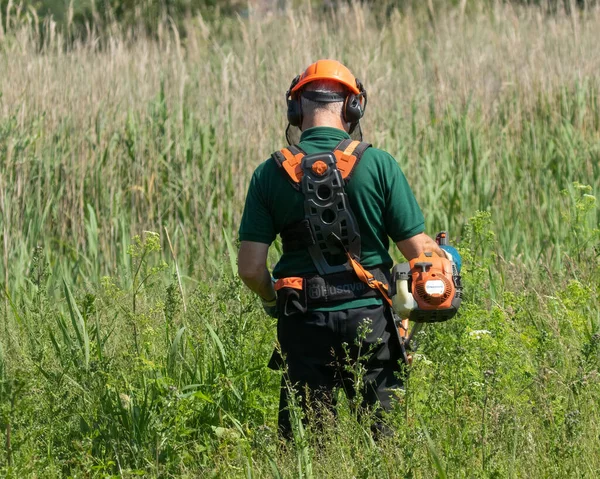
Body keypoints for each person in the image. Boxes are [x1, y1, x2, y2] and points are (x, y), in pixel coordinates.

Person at [237, 59, 452, 439]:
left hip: (303, 321)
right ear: (354, 107)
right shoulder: (379, 164)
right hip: (372, 321)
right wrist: (445, 261)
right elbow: (420, 253)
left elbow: (251, 269)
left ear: (295, 108)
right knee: (386, 444)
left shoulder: (268, 174)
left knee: (309, 449)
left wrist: (272, 301)